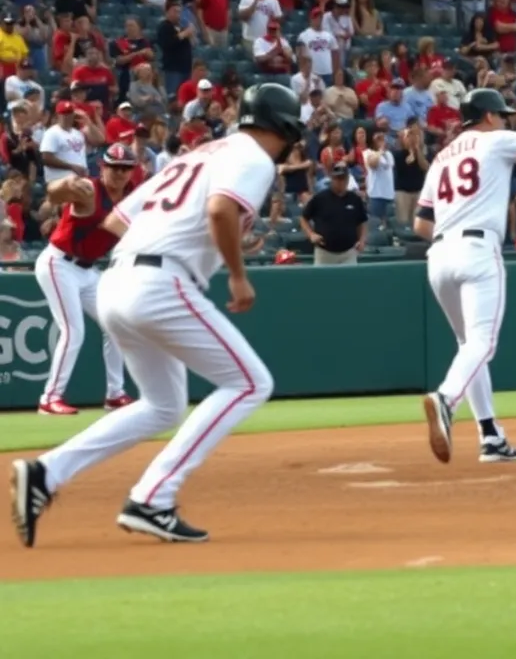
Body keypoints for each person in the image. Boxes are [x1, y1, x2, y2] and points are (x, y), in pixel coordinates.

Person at [9, 84, 305, 548]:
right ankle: (153, 498)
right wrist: (236, 274)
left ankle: (47, 473)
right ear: (286, 127)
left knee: (163, 404)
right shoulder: (253, 157)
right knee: (250, 383)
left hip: (117, 278)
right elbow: (220, 209)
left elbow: (114, 223)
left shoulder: (199, 155)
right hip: (161, 283)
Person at [415, 88, 516, 464]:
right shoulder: (494, 139)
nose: (505, 119)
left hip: (439, 254)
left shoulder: (441, 157)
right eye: (501, 114)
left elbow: (420, 223)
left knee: (469, 347)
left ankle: (491, 436)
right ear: (488, 116)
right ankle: (445, 399)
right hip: (477, 249)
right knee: (483, 345)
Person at [34, 144, 139, 416]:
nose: (119, 173)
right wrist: (64, 184)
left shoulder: (131, 198)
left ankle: (115, 394)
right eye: (113, 167)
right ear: (102, 167)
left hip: (88, 271)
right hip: (59, 263)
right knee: (73, 331)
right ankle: (50, 398)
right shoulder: (90, 189)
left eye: (125, 168)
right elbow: (53, 192)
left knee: (117, 325)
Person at [300, 162, 368, 265]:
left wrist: (362, 240)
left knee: (350, 281)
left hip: (348, 253)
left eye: (342, 178)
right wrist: (311, 235)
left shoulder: (355, 199)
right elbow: (303, 218)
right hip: (324, 252)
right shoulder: (320, 198)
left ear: (347, 180)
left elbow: (362, 221)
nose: (339, 182)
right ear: (331, 179)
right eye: (337, 178)